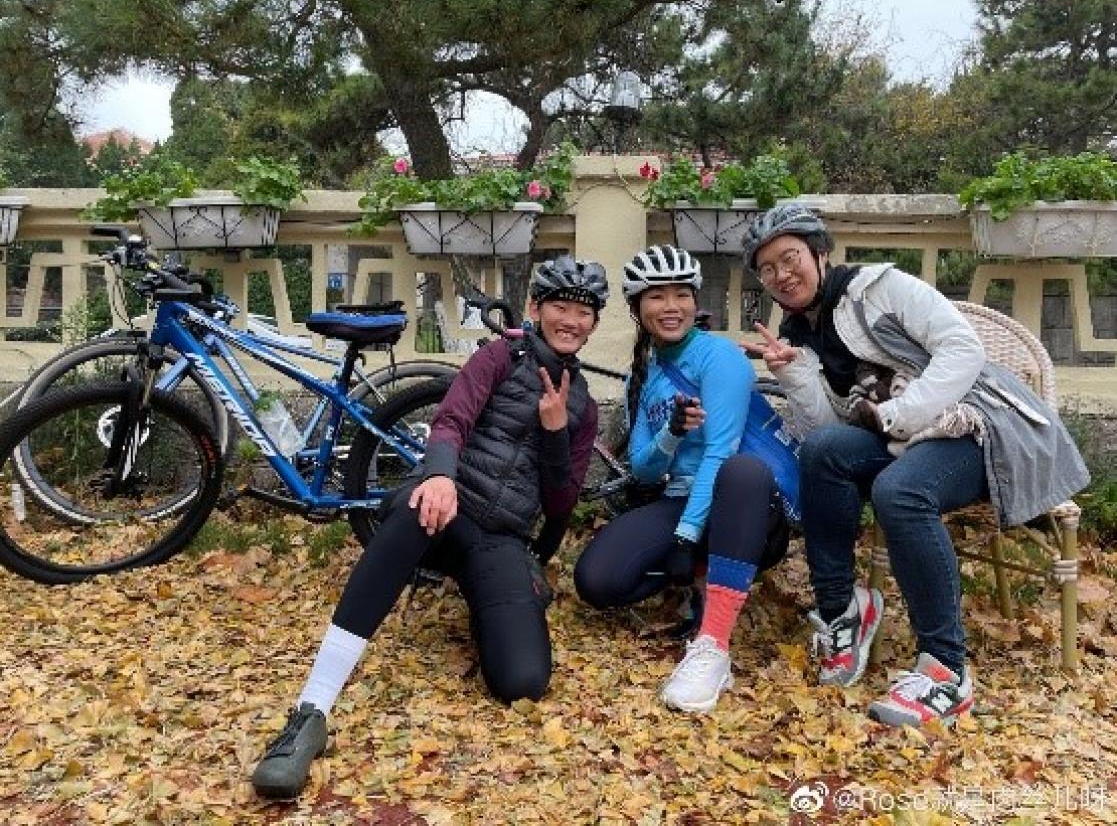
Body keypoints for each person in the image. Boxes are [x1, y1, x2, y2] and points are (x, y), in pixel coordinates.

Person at [251, 256, 608, 798]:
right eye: (561, 306)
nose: (572, 321)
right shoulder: (498, 357)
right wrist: (440, 475)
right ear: (536, 308)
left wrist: (556, 431)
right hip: (449, 513)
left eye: (584, 312)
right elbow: (451, 421)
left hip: (503, 540)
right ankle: (311, 710)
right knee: (417, 504)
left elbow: (561, 504)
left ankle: (488, 594)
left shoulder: (584, 406)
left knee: (522, 683)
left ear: (594, 324)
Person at [740, 204, 1090, 727]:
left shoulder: (880, 288)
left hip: (974, 423)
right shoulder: (798, 333)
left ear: (820, 252)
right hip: (904, 436)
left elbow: (962, 347)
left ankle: (946, 671)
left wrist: (898, 414)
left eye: (789, 258)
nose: (780, 275)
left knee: (899, 491)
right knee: (821, 454)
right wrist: (795, 377)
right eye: (767, 269)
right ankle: (843, 612)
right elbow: (825, 432)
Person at [574, 244, 790, 714]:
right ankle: (699, 577)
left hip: (745, 508)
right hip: (680, 499)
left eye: (680, 295)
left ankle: (712, 644)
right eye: (656, 297)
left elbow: (721, 452)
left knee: (741, 472)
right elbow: (644, 468)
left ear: (696, 300)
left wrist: (686, 535)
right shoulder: (645, 375)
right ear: (637, 308)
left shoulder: (720, 358)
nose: (670, 307)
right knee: (596, 581)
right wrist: (671, 434)